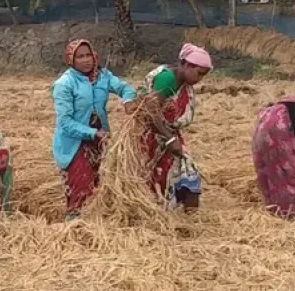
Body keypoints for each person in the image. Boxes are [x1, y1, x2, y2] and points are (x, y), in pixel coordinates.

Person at [51, 39, 136, 218]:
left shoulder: (102, 76)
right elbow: (65, 122)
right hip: (75, 144)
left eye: (88, 55)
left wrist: (128, 101)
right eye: (80, 56)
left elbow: (124, 87)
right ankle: (74, 228)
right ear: (71, 60)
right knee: (81, 189)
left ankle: (99, 226)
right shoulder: (65, 84)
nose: (86, 60)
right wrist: (92, 133)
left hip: (100, 140)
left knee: (101, 185)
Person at [134, 43, 213, 212]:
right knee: (159, 174)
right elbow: (150, 108)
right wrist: (170, 139)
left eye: (203, 75)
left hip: (168, 134)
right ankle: (159, 213)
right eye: (199, 73)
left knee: (188, 173)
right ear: (185, 64)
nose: (200, 79)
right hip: (154, 136)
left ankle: (187, 217)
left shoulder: (181, 81)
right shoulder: (168, 78)